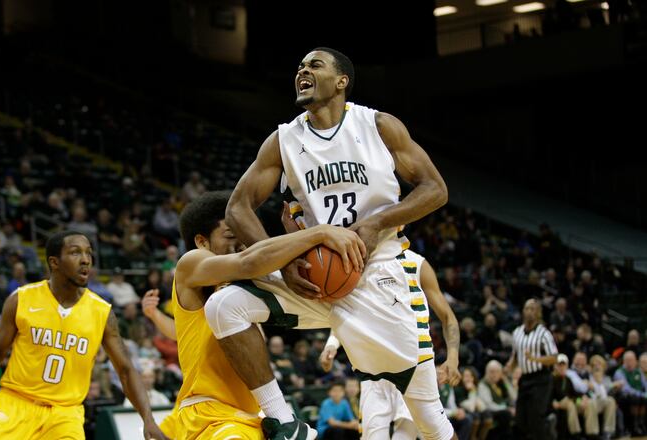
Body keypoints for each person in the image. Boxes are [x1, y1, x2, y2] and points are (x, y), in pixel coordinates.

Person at [204, 47, 452, 440]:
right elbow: (238, 209)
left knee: (427, 420)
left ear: (342, 81)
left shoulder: (378, 126)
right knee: (223, 305)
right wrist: (280, 263)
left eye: (314, 65)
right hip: (314, 277)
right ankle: (282, 418)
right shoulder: (283, 140)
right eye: (299, 66)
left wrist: (376, 224)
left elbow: (435, 189)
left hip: (378, 274)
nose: (302, 70)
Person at [141, 191, 364, 439]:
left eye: (243, 236)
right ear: (202, 242)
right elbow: (251, 260)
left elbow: (185, 336)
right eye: (229, 235)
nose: (240, 243)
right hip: (209, 413)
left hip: (250, 416)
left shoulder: (246, 295)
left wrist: (295, 237)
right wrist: (316, 233)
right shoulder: (191, 263)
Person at [0, 231, 167, 440]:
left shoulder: (102, 312)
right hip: (16, 403)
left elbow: (126, 370)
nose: (86, 259)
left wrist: (148, 419)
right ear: (54, 262)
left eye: (88, 253)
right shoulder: (21, 299)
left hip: (65, 415)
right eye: (75, 252)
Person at [320, 248, 461, 439]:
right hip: (373, 370)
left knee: (427, 432)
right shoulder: (356, 260)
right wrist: (331, 344)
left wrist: (453, 358)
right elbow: (345, 312)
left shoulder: (416, 263)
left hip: (411, 362)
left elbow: (447, 316)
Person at [505, 298, 557, 440]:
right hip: (525, 378)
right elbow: (515, 356)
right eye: (526, 308)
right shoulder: (517, 332)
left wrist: (536, 359)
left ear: (538, 313)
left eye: (532, 309)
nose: (529, 311)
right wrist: (509, 366)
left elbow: (554, 358)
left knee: (536, 416)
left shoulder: (544, 333)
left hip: (541, 378)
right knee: (520, 417)